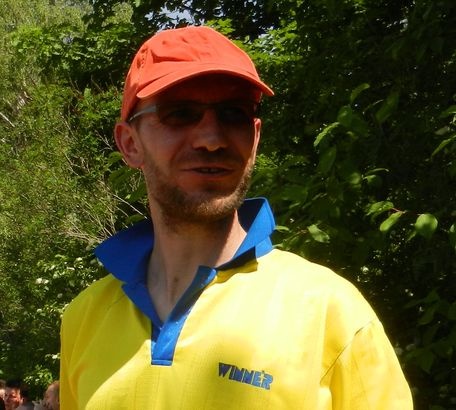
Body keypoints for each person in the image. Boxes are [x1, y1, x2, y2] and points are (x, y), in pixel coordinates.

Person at [60, 25, 413, 409]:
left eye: (233, 114)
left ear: (255, 137)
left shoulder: (330, 311)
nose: (211, 139)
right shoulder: (84, 318)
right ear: (130, 143)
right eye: (180, 114)